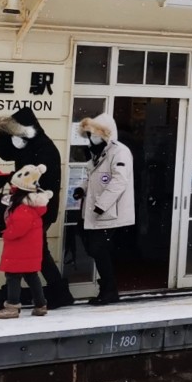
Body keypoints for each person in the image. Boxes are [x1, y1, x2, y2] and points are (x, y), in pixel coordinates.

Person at [0, 106, 75, 309]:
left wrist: (14, 180)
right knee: (34, 251)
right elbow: (5, 153)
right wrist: (3, 132)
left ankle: (21, 298)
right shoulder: (28, 146)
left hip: (39, 208)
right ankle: (52, 294)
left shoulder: (45, 149)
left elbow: (36, 179)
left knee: (29, 251)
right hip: (28, 207)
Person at [77, 114, 135, 304]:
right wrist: (81, 189)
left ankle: (109, 289)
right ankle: (108, 288)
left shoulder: (119, 152)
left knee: (98, 249)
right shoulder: (97, 153)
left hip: (108, 212)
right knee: (93, 248)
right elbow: (91, 176)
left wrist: (102, 205)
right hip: (94, 210)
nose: (91, 138)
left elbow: (119, 181)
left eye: (94, 134)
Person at [0, 163, 52, 318]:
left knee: (13, 277)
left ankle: (12, 306)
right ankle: (41, 304)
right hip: (29, 249)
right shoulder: (31, 206)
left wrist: (6, 233)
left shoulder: (22, 209)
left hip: (19, 249)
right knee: (32, 276)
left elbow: (18, 229)